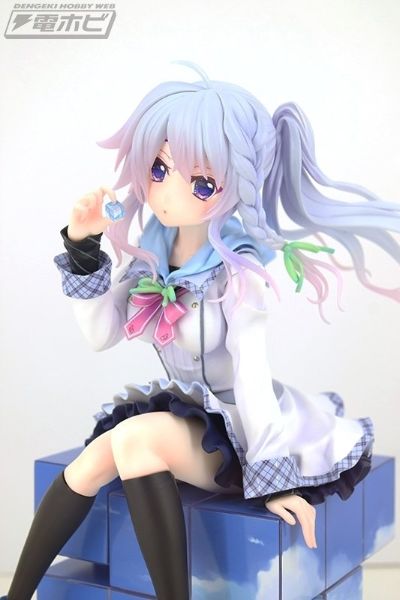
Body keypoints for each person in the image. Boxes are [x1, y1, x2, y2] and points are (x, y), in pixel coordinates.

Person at [3, 61, 399, 600]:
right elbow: (101, 334)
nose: (167, 194)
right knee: (94, 458)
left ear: (236, 184)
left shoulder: (240, 272)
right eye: (159, 169)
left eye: (201, 182)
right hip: (188, 414)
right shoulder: (150, 255)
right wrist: (83, 245)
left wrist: (272, 482)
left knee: (135, 438)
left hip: (239, 431)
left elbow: (252, 377)